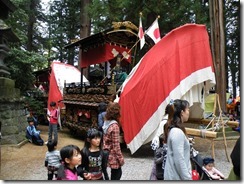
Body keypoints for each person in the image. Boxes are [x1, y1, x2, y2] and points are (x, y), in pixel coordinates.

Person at [164, 99, 192, 180]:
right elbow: (179, 159)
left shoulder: (176, 130)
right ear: (182, 112)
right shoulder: (177, 132)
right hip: (176, 177)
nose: (188, 112)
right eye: (188, 110)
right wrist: (187, 178)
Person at [102, 102, 124, 180]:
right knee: (117, 175)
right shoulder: (114, 126)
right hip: (113, 156)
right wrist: (121, 159)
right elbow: (116, 145)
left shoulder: (106, 122)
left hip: (107, 153)